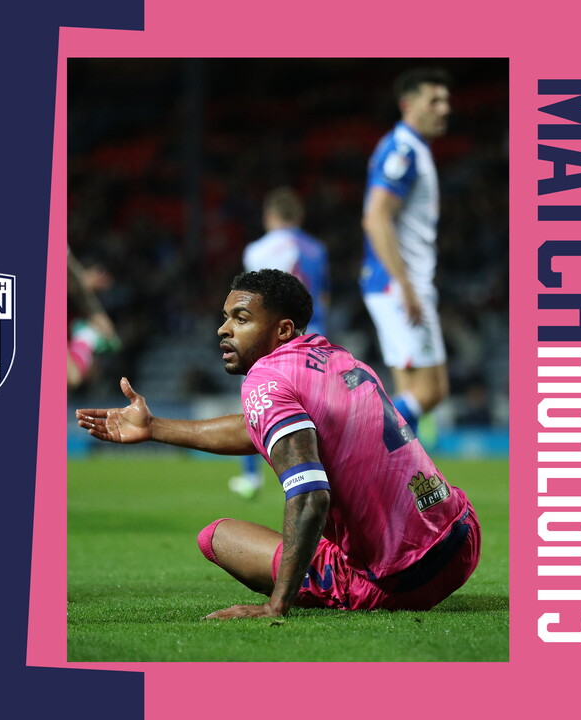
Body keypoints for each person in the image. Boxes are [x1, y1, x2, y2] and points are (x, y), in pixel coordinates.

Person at [76, 270, 480, 619]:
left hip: (403, 580)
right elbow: (255, 425)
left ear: (282, 329)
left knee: (217, 537)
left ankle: (325, 583)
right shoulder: (337, 357)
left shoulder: (264, 379)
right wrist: (154, 427)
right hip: (461, 539)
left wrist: (277, 603)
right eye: (225, 318)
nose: (224, 329)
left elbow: (310, 496)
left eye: (241, 318)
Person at [360, 67, 452, 435]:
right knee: (430, 392)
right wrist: (405, 284)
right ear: (408, 104)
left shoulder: (411, 148)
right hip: (398, 284)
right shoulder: (403, 150)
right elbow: (376, 218)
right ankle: (360, 442)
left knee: (409, 392)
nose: (444, 109)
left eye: (446, 101)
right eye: (435, 100)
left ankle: (401, 486)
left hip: (392, 284)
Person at [229, 187, 330, 499]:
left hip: (271, 336)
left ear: (269, 216)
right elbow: (323, 296)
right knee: (318, 407)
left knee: (259, 403)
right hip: (313, 334)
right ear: (298, 216)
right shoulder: (316, 249)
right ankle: (326, 471)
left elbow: (253, 299)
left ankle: (251, 477)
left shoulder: (256, 250)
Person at [67, 246, 119, 390]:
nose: (105, 284)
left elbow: (110, 333)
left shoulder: (85, 300)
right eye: (102, 276)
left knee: (74, 378)